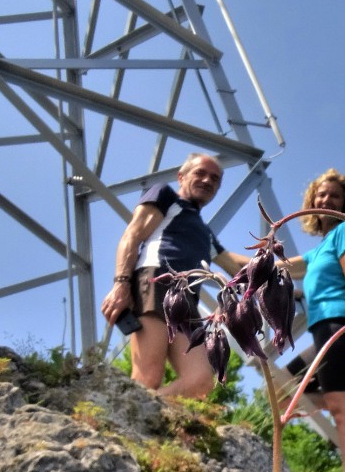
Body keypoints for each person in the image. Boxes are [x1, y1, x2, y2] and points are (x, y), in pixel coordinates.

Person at [100, 153, 246, 399]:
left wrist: (292, 270)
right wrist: (121, 284)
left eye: (215, 178)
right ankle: (127, 423)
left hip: (187, 301)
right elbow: (132, 235)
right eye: (200, 173)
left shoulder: (205, 234)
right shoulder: (166, 197)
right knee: (148, 375)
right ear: (181, 176)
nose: (208, 180)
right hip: (158, 281)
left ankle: (142, 414)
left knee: (200, 381)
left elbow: (236, 264)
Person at [284, 170, 345, 472]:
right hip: (321, 330)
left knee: (342, 411)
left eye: (335, 196)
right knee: (281, 389)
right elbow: (276, 268)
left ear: (344, 204)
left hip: (340, 327)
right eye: (322, 194)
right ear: (312, 199)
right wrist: (216, 252)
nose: (326, 200)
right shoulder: (315, 253)